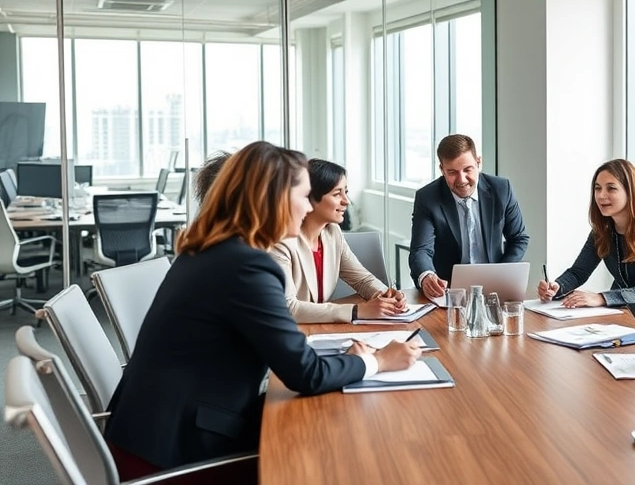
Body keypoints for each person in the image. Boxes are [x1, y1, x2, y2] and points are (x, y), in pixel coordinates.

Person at [103, 142, 422, 481]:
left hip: (152, 430)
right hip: (173, 455)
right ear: (275, 199)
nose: (307, 206)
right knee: (327, 453)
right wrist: (379, 360)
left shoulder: (213, 249)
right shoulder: (246, 266)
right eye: (303, 196)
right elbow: (305, 374)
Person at [270, 158, 406, 323]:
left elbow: (362, 280)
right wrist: (356, 311)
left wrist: (386, 296)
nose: (346, 201)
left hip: (321, 331)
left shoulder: (332, 232)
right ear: (310, 198)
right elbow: (288, 307)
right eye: (337, 194)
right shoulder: (280, 242)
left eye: (346, 192)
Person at [537, 159, 635, 311]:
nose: (601, 195)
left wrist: (601, 297)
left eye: (611, 189)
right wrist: (557, 287)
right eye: (597, 188)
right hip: (630, 307)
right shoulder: (602, 230)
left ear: (630, 191)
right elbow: (578, 272)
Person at [409, 134, 529, 298]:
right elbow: (421, 250)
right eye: (452, 172)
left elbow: (518, 238)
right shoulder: (428, 198)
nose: (462, 179)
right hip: (448, 291)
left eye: (467, 169)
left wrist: (500, 273)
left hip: (494, 288)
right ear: (442, 169)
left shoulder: (501, 189)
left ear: (478, 163)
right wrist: (426, 275)